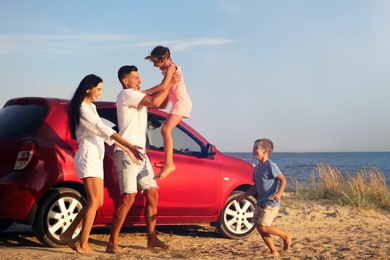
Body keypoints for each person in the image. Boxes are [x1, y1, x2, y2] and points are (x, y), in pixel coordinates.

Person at [60, 74, 143, 254]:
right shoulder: (82, 108)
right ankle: (82, 244)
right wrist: (128, 144)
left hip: (96, 157)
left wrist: (127, 149)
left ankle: (67, 234)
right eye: (98, 89)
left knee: (96, 202)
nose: (100, 93)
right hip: (88, 156)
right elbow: (102, 128)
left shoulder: (91, 107)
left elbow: (104, 135)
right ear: (88, 88)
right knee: (94, 202)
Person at [105, 65, 172, 254]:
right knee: (128, 198)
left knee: (152, 194)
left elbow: (162, 103)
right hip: (126, 152)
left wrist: (170, 86)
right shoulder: (126, 94)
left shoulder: (137, 96)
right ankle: (112, 243)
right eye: (136, 78)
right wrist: (169, 79)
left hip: (141, 154)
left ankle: (152, 239)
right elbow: (157, 101)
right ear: (126, 81)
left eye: (139, 78)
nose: (139, 81)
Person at [236, 138, 292, 257]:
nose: (253, 150)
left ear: (265, 150)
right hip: (260, 202)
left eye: (256, 148)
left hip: (270, 202)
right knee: (259, 227)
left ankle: (285, 235)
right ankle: (274, 251)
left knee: (264, 227)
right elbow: (255, 187)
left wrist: (279, 194)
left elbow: (283, 180)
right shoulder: (256, 168)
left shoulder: (270, 166)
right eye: (253, 148)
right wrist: (244, 195)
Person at [143, 45, 192, 179]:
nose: (154, 65)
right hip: (175, 100)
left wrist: (143, 92)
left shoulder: (171, 67)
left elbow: (163, 86)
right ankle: (168, 164)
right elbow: (164, 102)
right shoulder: (166, 70)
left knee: (165, 130)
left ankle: (169, 164)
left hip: (181, 102)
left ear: (164, 59)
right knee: (163, 119)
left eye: (155, 62)